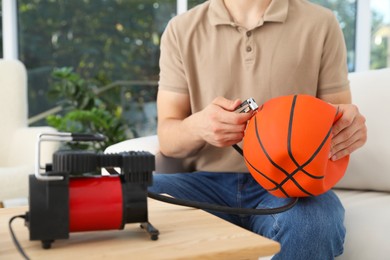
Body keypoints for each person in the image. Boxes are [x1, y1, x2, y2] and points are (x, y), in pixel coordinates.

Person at [150, 0, 367, 259]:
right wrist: (200, 127)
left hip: (290, 186)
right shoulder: (181, 29)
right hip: (204, 184)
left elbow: (339, 121)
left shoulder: (321, 23)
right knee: (127, 196)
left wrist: (349, 128)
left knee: (312, 226)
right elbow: (167, 137)